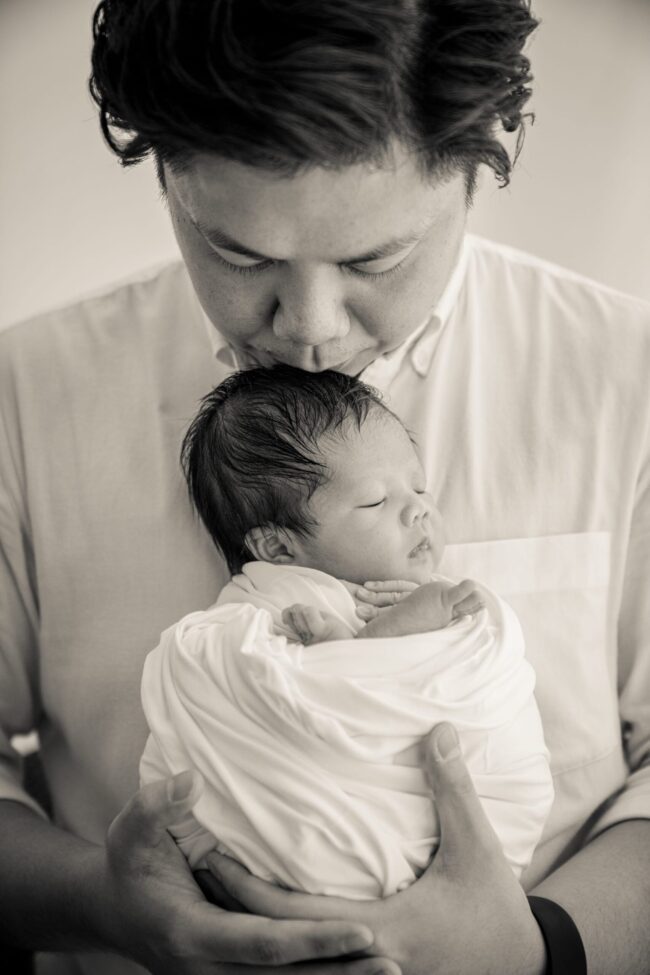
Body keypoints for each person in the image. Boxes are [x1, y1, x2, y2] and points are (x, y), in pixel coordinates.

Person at [0, 1, 648, 974]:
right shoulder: (23, 395)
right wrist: (96, 903)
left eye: (372, 259)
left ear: (481, 163)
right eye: (239, 253)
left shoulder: (625, 377)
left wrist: (541, 946)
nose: (307, 327)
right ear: (163, 174)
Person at [139, 366, 554, 898]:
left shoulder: (395, 590)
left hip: (476, 880)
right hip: (299, 837)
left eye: (419, 487)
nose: (420, 509)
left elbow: (463, 671)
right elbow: (294, 687)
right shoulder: (272, 607)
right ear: (278, 547)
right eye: (376, 502)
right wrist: (379, 637)